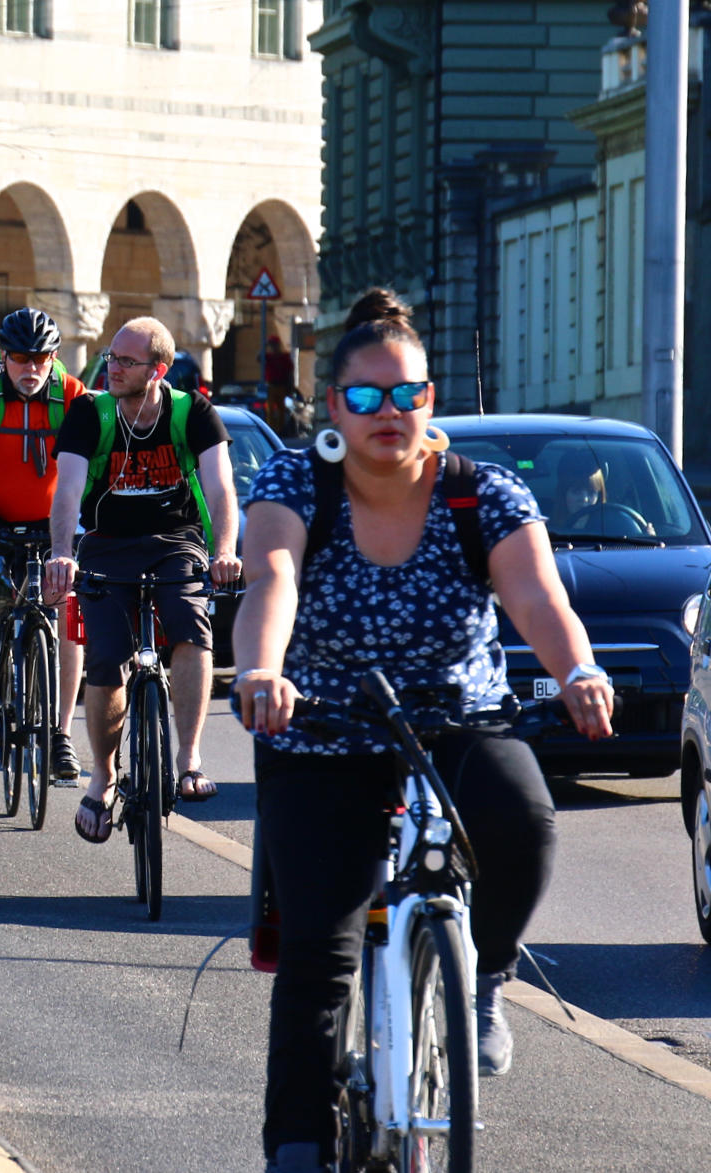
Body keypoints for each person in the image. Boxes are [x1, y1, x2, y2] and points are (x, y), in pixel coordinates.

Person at [231, 288, 612, 1173]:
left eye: (406, 395)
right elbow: (272, 579)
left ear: (430, 401)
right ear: (334, 406)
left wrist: (579, 670)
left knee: (522, 818)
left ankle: (484, 978)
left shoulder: (483, 495)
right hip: (323, 726)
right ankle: (298, 1145)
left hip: (455, 717)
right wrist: (262, 670)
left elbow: (535, 597)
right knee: (319, 957)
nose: (388, 414)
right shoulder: (296, 480)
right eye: (366, 397)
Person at [41, 316, 242, 844]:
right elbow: (67, 490)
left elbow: (221, 489)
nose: (114, 368)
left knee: (191, 627)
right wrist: (62, 553)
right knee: (106, 657)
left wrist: (224, 552)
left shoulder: (191, 412)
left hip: (176, 543)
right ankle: (104, 776)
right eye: (111, 357)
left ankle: (189, 755)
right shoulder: (90, 411)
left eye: (127, 361)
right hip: (106, 545)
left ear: (159, 368)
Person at [0, 308, 89, 780]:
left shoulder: (71, 396)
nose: (31, 369)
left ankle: (62, 735)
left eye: (41, 358)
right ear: (3, 357)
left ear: (54, 358)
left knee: (69, 610)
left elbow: (94, 465)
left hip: (54, 520)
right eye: (21, 358)